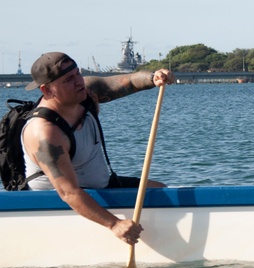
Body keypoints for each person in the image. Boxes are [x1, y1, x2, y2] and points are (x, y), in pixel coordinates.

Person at [20, 52, 176, 246]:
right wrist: (114, 225)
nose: (78, 82)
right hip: (59, 203)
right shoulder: (45, 132)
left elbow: (120, 84)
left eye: (78, 74)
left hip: (100, 187)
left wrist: (153, 78)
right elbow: (68, 193)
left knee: (161, 191)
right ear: (47, 90)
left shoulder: (84, 94)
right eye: (69, 79)